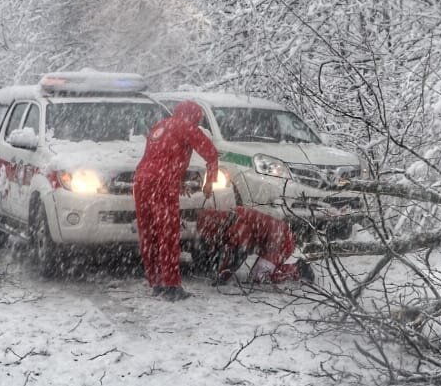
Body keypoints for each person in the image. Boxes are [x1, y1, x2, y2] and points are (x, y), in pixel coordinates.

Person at [133, 100, 219, 300]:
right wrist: (210, 182)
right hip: (162, 183)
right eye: (198, 119)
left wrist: (178, 182)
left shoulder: (160, 126)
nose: (198, 123)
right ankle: (171, 285)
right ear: (194, 116)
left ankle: (156, 282)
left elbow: (161, 156)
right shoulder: (186, 126)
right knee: (168, 234)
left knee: (149, 233)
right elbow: (211, 154)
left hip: (141, 181)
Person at [195, 206, 315, 285]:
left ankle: (297, 269)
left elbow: (238, 255)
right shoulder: (234, 217)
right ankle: (294, 268)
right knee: (257, 276)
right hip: (276, 239)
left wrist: (223, 276)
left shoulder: (238, 225)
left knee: (261, 276)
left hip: (279, 242)